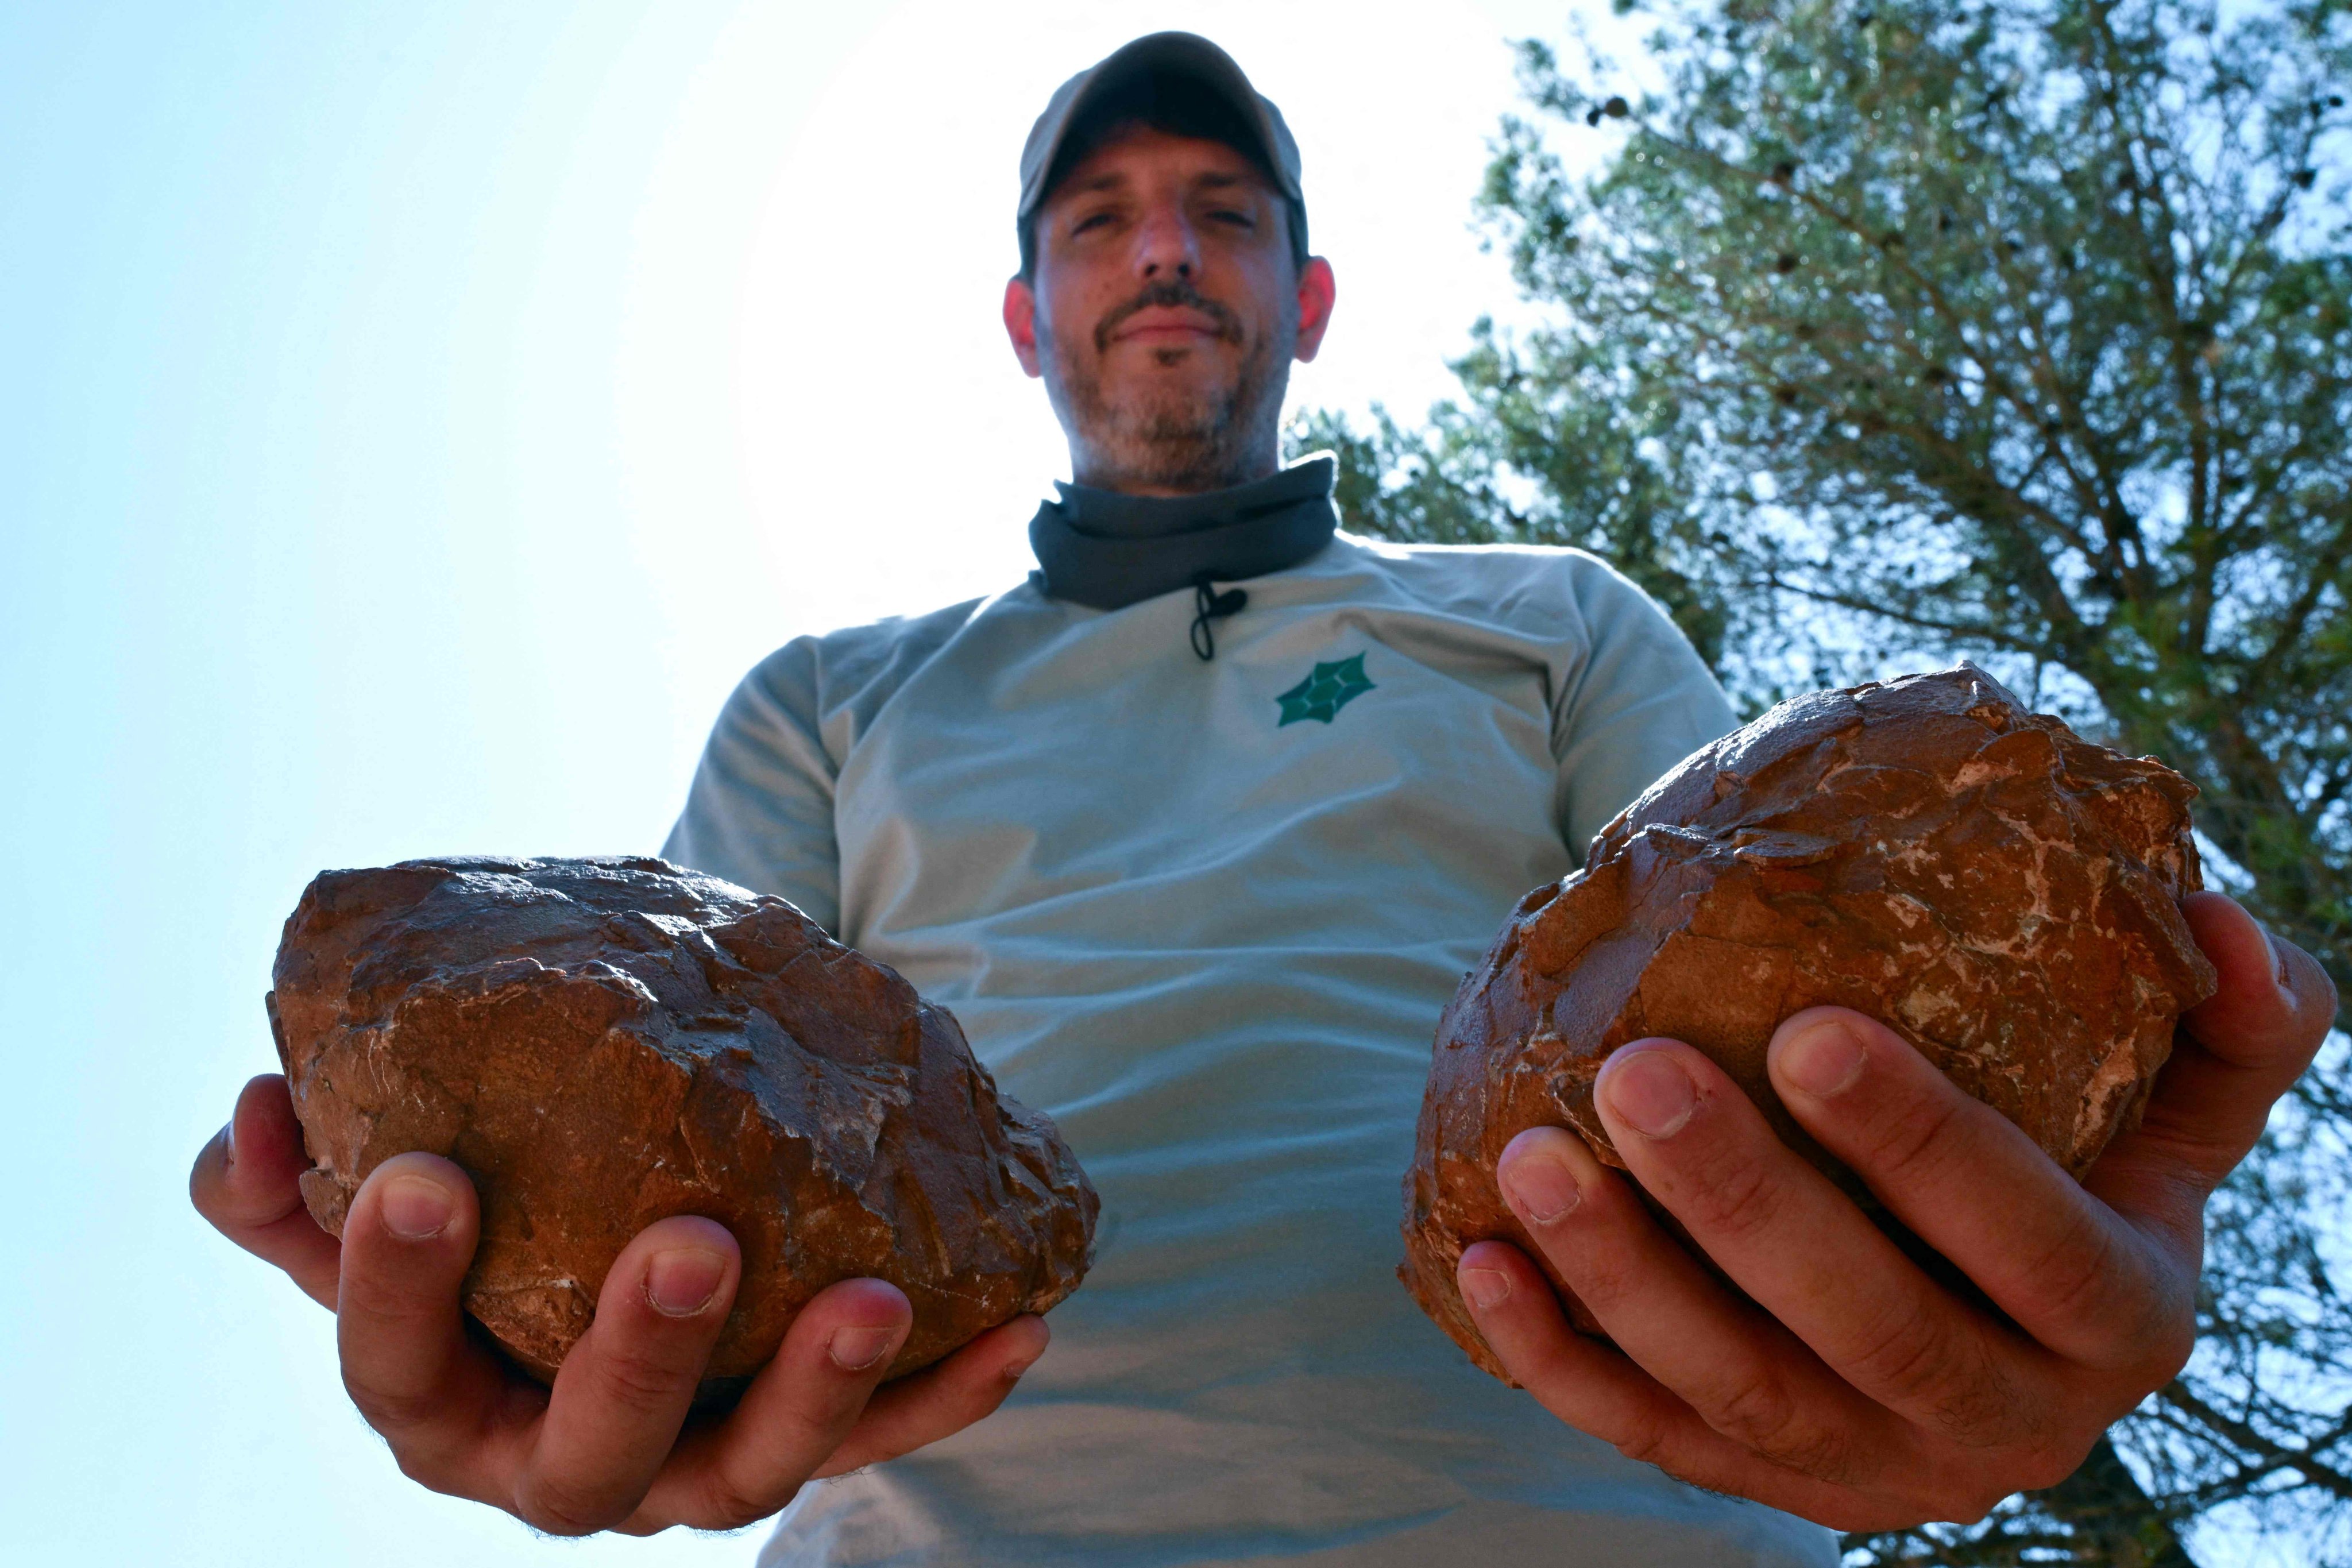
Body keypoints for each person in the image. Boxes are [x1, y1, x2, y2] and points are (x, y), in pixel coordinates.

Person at [191, 31, 2335, 1567]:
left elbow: (1799, 994)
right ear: (1023, 309)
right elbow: (698, 1139)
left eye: (1224, 214)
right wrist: (545, 1352)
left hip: (1602, 1520)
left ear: (1303, 296)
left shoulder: (1548, 618)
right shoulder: (831, 703)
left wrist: (2012, 1296)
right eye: (1104, 218)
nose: (1164, 254)